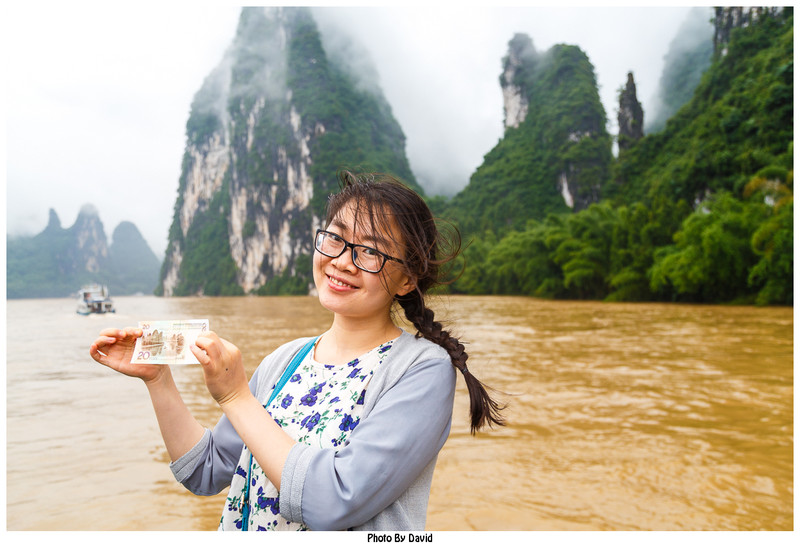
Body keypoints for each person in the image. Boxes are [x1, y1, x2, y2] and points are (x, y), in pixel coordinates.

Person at [89, 170, 505, 531]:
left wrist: (236, 397)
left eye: (370, 252)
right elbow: (206, 470)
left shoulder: (420, 368)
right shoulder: (285, 361)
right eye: (336, 240)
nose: (342, 262)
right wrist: (159, 379)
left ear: (407, 279)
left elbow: (334, 500)